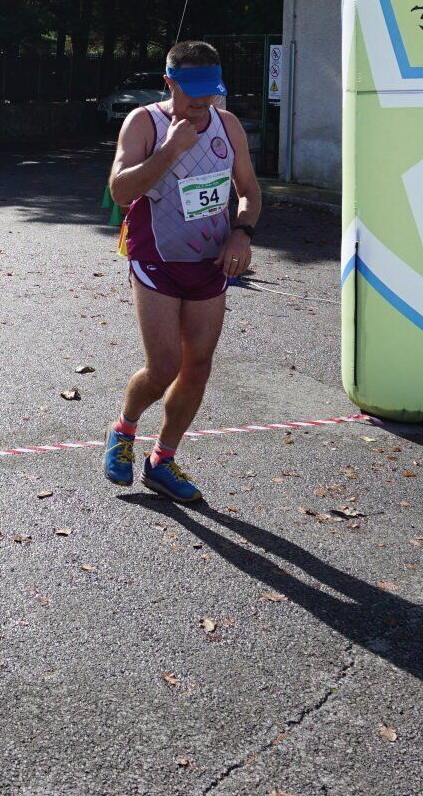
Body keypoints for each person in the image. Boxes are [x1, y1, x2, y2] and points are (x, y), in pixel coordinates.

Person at [100, 41, 261, 503]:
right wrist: (170, 149)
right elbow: (119, 191)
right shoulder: (144, 122)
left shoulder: (227, 125)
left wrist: (241, 233)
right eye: (192, 89)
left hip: (209, 261)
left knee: (198, 365)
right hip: (156, 258)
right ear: (168, 81)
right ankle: (124, 429)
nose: (202, 100)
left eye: (210, 90)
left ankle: (162, 460)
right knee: (164, 365)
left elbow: (249, 191)